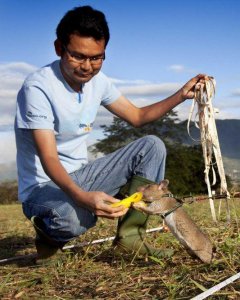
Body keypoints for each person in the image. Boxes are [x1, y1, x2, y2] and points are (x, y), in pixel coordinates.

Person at [15, 5, 207, 260]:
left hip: (81, 175)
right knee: (71, 220)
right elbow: (49, 159)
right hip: (43, 190)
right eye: (78, 56)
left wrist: (181, 96)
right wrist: (83, 199)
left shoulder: (99, 81)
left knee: (151, 146)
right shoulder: (38, 88)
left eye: (96, 57)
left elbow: (137, 116)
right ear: (59, 48)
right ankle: (48, 238)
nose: (87, 66)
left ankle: (130, 238)